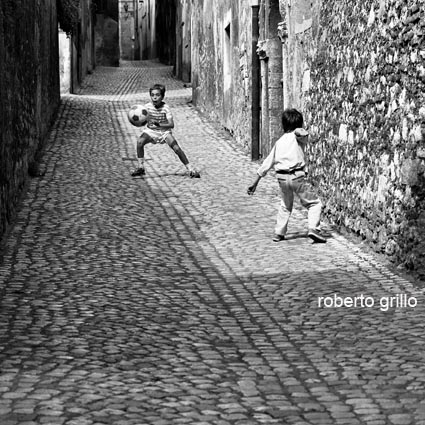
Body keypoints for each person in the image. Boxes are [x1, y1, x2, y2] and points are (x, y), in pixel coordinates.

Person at [247, 108, 326, 243]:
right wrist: (300, 131)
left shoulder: (279, 142)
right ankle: (313, 229)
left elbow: (267, 163)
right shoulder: (298, 137)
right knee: (314, 204)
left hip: (282, 178)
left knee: (285, 205)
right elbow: (305, 137)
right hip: (297, 176)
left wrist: (255, 183)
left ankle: (279, 232)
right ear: (300, 123)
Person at [131, 83, 200, 178]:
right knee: (139, 142)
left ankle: (190, 169)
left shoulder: (165, 108)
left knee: (176, 148)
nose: (154, 97)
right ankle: (141, 167)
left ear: (162, 96)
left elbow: (171, 124)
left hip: (164, 132)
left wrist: (159, 124)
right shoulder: (147, 107)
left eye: (157, 95)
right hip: (151, 131)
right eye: (152, 95)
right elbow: (141, 117)